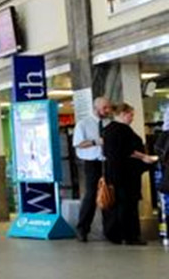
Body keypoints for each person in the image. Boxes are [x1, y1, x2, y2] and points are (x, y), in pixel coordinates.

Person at [101, 103, 159, 245]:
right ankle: (131, 235)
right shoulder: (122, 130)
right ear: (122, 114)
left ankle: (115, 234)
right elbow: (128, 150)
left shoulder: (108, 129)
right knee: (128, 204)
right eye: (130, 115)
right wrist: (145, 157)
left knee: (116, 204)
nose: (132, 118)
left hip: (113, 172)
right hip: (126, 174)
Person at [72, 96, 111, 242]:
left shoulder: (109, 123)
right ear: (96, 108)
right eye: (104, 108)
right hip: (91, 162)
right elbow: (78, 144)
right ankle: (82, 228)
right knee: (91, 195)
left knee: (109, 194)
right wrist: (96, 142)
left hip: (106, 161)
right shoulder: (83, 124)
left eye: (108, 107)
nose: (107, 111)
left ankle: (109, 229)